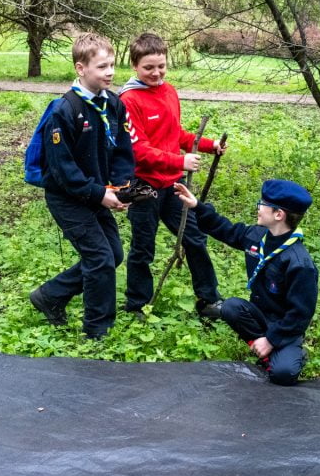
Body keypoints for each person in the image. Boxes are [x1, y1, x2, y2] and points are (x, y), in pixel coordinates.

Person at [28, 32, 136, 340]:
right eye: (102, 67)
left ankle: (49, 296)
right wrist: (99, 194)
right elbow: (63, 169)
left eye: (112, 65)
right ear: (81, 68)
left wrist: (120, 187)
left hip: (98, 193)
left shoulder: (114, 104)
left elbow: (122, 150)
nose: (110, 72)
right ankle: (97, 329)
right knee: (100, 258)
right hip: (68, 198)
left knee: (113, 254)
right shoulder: (64, 111)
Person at [119, 33, 227, 318]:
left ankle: (209, 300)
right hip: (145, 187)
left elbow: (176, 134)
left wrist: (209, 145)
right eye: (148, 67)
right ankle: (136, 305)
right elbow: (138, 151)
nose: (156, 73)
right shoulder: (128, 101)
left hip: (173, 186)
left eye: (161, 66)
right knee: (143, 248)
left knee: (195, 239)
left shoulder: (169, 91)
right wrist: (179, 161)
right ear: (134, 66)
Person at [174, 179, 318, 385]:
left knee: (283, 374)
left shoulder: (299, 263)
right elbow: (226, 230)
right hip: (260, 315)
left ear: (279, 215)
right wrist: (197, 206)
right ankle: (265, 352)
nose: (258, 207)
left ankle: (283, 351)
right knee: (231, 307)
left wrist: (271, 340)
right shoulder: (257, 236)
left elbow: (300, 314)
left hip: (286, 325)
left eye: (263, 204)